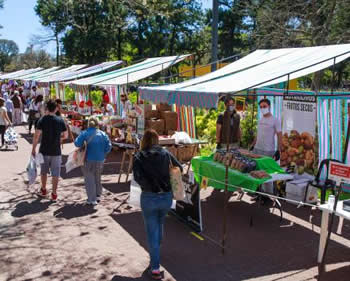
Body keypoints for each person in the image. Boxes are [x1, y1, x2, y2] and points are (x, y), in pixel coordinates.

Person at [133, 129, 183, 280]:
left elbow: (137, 177)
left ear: (144, 141)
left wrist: (147, 185)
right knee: (160, 224)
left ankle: (155, 267)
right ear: (157, 139)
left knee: (151, 232)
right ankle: (156, 255)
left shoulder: (138, 156)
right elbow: (179, 167)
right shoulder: (165, 153)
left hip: (149, 197)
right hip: (166, 196)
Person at [32, 99, 68, 201]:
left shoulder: (42, 120)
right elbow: (65, 135)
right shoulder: (60, 120)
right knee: (56, 173)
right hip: (56, 151)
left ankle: (43, 189)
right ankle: (54, 194)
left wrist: (33, 148)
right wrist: (59, 138)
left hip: (43, 150)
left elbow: (36, 136)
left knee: (43, 172)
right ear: (56, 108)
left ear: (47, 108)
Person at [74, 116, 111, 205]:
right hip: (100, 159)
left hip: (88, 159)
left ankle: (91, 199)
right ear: (97, 124)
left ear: (88, 124)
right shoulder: (103, 134)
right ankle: (98, 195)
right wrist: (103, 153)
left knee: (89, 178)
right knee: (97, 177)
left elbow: (77, 143)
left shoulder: (84, 133)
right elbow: (109, 147)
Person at [251, 98, 282, 195]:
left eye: (264, 106)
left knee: (266, 173)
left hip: (268, 150)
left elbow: (279, 135)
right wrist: (253, 145)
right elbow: (258, 134)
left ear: (269, 106)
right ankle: (259, 193)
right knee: (257, 172)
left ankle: (268, 195)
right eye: (261, 107)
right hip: (257, 149)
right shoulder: (261, 119)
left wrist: (278, 150)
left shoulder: (275, 120)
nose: (263, 109)